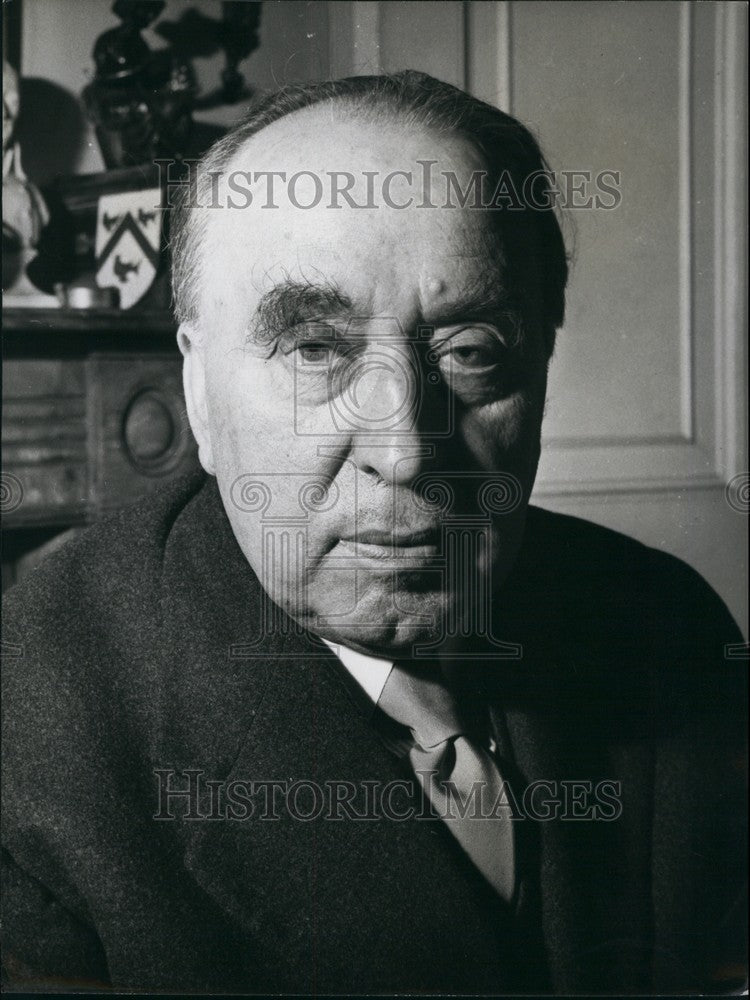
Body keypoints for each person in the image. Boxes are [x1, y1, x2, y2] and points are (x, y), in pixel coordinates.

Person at [2, 71, 746, 994]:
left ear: (542, 366)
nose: (404, 451)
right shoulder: (30, 727)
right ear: (199, 388)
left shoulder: (668, 626)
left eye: (471, 352)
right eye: (316, 350)